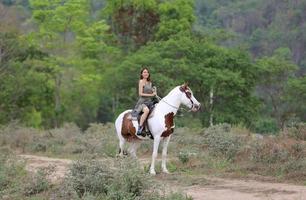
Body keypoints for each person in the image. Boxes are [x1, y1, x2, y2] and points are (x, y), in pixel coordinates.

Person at [132, 67, 157, 136]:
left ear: (149, 74)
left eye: (147, 72)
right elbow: (140, 94)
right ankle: (140, 128)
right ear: (142, 74)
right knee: (146, 111)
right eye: (144, 72)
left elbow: (152, 92)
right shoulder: (141, 81)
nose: (146, 73)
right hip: (142, 103)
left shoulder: (150, 83)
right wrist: (151, 94)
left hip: (149, 102)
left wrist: (154, 91)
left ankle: (151, 129)